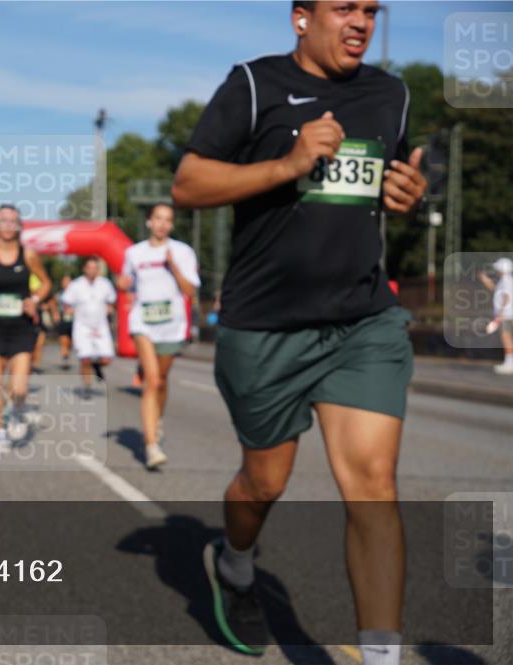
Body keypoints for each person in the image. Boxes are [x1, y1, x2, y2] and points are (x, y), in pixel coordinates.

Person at [172, 1, 427, 660]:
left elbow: (381, 185)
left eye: (371, 10)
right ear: (301, 17)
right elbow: (189, 184)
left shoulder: (389, 95)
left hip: (361, 321)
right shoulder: (254, 86)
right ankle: (234, 562)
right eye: (345, 7)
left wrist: (406, 194)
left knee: (374, 484)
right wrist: (286, 164)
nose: (361, 22)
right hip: (266, 326)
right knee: (265, 482)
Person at [118, 204, 200, 470]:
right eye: (158, 219)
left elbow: (190, 291)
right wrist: (122, 284)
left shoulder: (183, 252)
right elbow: (125, 280)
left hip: (171, 325)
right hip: (143, 322)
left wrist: (173, 267)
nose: (163, 224)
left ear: (172, 225)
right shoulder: (134, 252)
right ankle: (151, 446)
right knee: (151, 380)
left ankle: (157, 420)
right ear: (149, 222)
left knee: (161, 381)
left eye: (168, 220)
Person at [0, 204, 51, 450]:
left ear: (19, 226)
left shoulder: (29, 256)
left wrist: (34, 301)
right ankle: (0, 433)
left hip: (21, 329)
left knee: (19, 388)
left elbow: (46, 283)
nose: (7, 225)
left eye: (12, 221)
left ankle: (16, 410)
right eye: (3, 220)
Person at [61, 257, 117, 399]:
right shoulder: (76, 285)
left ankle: (96, 366)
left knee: (106, 360)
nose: (92, 271)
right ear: (84, 269)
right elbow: (67, 301)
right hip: (82, 327)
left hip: (100, 326)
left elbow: (111, 301)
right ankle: (86, 386)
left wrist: (110, 309)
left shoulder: (105, 284)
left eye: (95, 268)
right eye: (90, 268)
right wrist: (68, 310)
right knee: (85, 359)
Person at [479, 257, 513, 374]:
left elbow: (506, 297)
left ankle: (510, 364)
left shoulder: (506, 281)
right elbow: (496, 291)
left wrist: (500, 313)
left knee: (506, 337)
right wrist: (486, 280)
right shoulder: (505, 280)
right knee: (507, 337)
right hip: (507, 314)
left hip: (507, 315)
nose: (497, 270)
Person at [55, 275, 74, 369]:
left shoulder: (77, 294)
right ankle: (65, 358)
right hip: (63, 320)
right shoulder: (59, 295)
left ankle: (67, 354)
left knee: (70, 342)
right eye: (64, 281)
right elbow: (56, 307)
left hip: (74, 321)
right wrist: (57, 314)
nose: (66, 283)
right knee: (63, 341)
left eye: (68, 281)